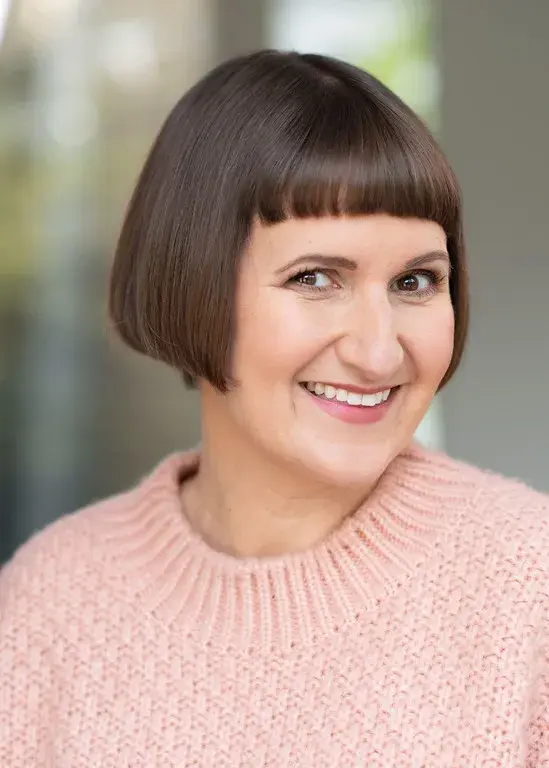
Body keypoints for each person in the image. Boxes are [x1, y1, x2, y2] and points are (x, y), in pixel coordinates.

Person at [1, 49, 548, 767]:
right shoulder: (48, 603)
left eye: (415, 281)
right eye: (316, 277)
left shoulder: (528, 587)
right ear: (187, 279)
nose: (379, 353)